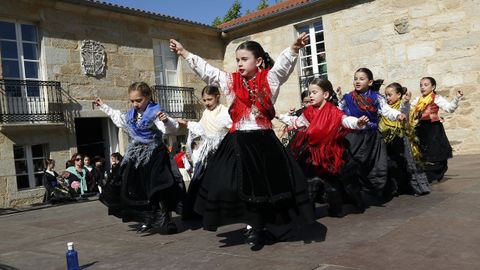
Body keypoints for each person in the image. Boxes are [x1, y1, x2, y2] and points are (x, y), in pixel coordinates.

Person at [170, 34, 314, 249]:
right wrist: (184, 53)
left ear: (258, 61)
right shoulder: (230, 81)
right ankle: (251, 226)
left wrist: (293, 48)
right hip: (238, 141)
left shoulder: (270, 79)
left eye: (244, 59)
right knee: (230, 184)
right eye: (237, 59)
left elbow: (283, 67)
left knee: (267, 187)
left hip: (264, 141)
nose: (239, 63)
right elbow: (208, 71)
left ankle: (260, 227)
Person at [96, 82, 185, 234]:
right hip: (136, 154)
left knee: (159, 187)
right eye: (132, 101)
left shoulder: (155, 112)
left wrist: (166, 121)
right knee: (136, 188)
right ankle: (146, 218)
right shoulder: (131, 114)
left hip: (154, 154)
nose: (135, 104)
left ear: (148, 97)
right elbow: (119, 118)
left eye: (139, 100)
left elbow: (170, 129)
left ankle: (167, 219)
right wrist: (103, 106)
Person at [279, 78, 368, 216]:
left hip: (331, 154)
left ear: (325, 94)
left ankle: (336, 208)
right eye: (310, 92)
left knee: (333, 184)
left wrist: (358, 123)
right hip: (312, 154)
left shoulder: (334, 112)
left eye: (314, 92)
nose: (311, 96)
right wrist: (280, 116)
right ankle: (308, 211)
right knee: (310, 182)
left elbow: (345, 121)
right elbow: (297, 122)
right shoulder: (308, 112)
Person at [338, 68, 405, 199]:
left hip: (372, 138)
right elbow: (338, 112)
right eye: (355, 78)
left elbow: (387, 111)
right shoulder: (347, 97)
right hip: (353, 137)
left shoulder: (376, 97)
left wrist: (398, 115)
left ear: (370, 82)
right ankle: (351, 193)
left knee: (376, 166)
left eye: (361, 79)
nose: (357, 81)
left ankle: (376, 191)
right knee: (351, 164)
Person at [177, 85, 232, 220]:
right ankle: (197, 211)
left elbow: (232, 129)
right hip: (208, 153)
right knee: (199, 179)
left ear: (217, 97)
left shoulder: (225, 112)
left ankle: (224, 211)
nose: (207, 103)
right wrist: (187, 124)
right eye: (204, 100)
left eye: (209, 99)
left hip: (222, 152)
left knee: (222, 182)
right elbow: (202, 128)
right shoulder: (206, 113)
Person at [408, 77, 463, 182]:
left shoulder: (436, 98)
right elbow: (409, 110)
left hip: (433, 128)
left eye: (426, 85)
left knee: (435, 151)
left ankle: (436, 172)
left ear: (433, 87)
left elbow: (449, 108)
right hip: (421, 128)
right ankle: (427, 173)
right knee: (423, 152)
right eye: (421, 85)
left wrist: (456, 98)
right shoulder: (417, 100)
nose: (423, 87)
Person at [379, 83, 430, 196]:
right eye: (386, 95)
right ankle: (394, 188)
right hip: (387, 140)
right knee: (391, 165)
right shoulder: (385, 107)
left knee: (408, 163)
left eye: (389, 95)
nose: (387, 98)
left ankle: (417, 188)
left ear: (398, 95)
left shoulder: (401, 105)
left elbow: (404, 110)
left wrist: (406, 101)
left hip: (401, 139)